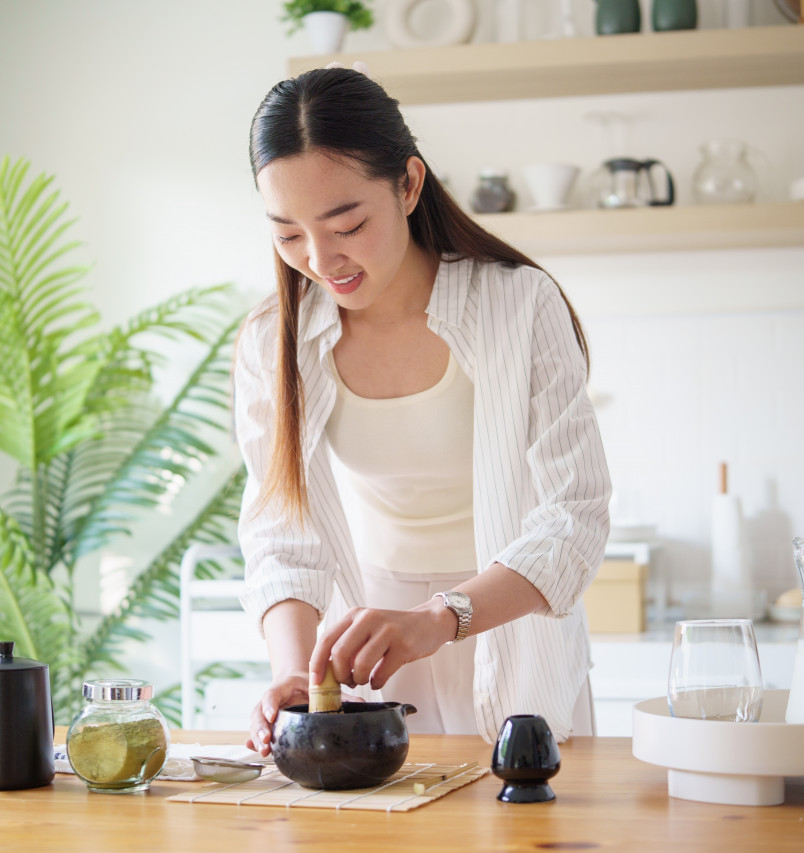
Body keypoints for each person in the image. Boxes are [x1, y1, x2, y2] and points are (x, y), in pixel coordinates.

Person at [233, 66, 611, 757]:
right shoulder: (273, 339)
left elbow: (573, 519)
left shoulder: (519, 305)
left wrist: (440, 617)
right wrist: (293, 669)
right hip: (370, 650)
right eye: (288, 235)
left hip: (512, 630)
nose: (321, 260)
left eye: (346, 223)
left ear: (409, 184)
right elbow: (281, 536)